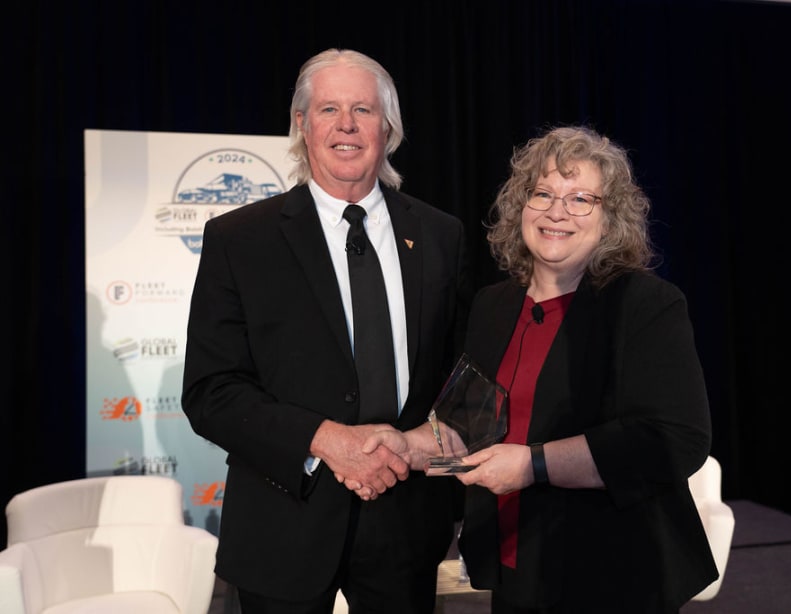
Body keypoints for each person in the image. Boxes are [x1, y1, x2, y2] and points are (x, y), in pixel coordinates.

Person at [361, 125, 719, 612]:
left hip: (616, 572)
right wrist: (408, 447)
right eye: (543, 193)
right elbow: (468, 422)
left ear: (610, 218)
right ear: (519, 206)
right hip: (516, 564)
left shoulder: (644, 304)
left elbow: (676, 438)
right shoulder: (494, 305)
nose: (557, 211)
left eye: (580, 199)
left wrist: (533, 466)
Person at [181, 48, 469, 614]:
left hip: (406, 523)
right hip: (283, 522)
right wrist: (327, 440)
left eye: (363, 109)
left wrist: (414, 451)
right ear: (301, 125)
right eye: (329, 108)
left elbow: (462, 377)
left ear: (388, 128)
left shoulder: (441, 235)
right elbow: (212, 392)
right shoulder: (240, 240)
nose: (346, 125)